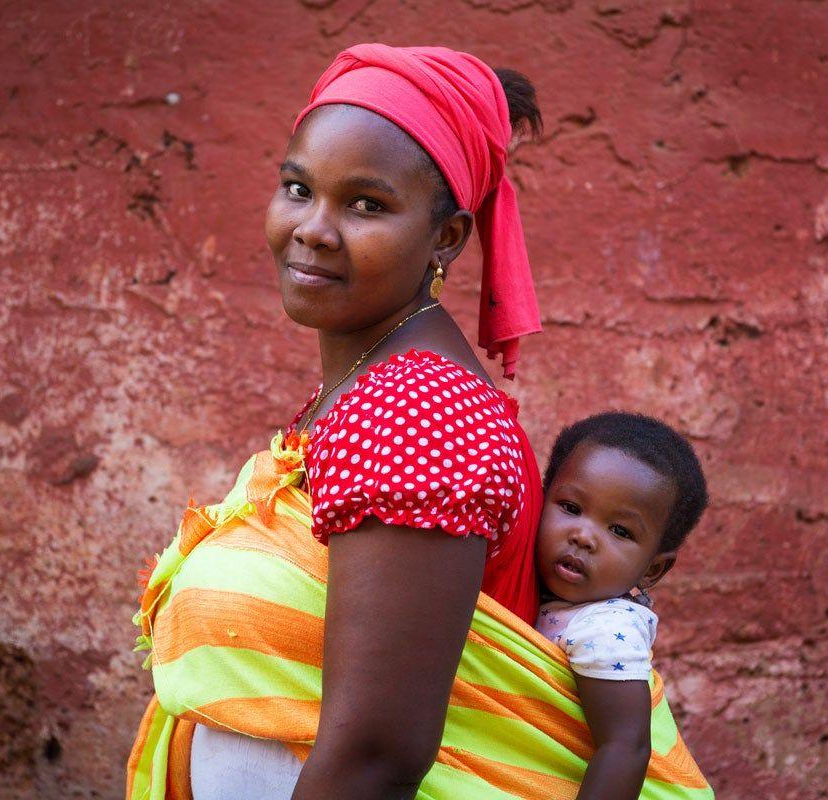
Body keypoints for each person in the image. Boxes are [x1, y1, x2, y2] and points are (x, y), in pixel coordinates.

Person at [131, 43, 547, 799]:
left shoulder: (417, 410)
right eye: (298, 188)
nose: (314, 229)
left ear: (446, 237)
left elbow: (377, 758)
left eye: (366, 205)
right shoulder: (374, 384)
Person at [534, 412, 710, 800]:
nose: (582, 536)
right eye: (570, 507)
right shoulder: (540, 592)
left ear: (653, 569)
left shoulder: (603, 628)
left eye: (620, 531)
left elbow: (624, 748)